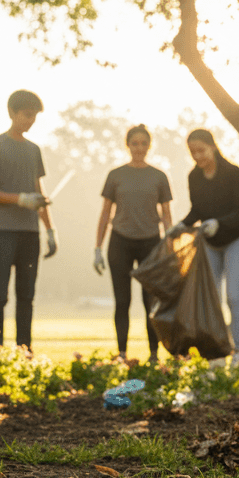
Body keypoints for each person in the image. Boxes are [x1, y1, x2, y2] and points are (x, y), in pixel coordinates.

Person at [0, 89, 57, 351]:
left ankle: (25, 351)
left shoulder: (34, 150)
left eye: (34, 116)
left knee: (27, 296)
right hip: (1, 230)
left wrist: (50, 229)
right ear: (12, 113)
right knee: (0, 292)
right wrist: (19, 199)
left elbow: (38, 190)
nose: (30, 121)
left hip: (29, 232)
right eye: (26, 115)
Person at [167, 129, 239, 368]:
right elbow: (197, 210)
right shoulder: (194, 176)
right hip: (210, 244)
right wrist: (182, 225)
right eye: (193, 152)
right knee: (211, 300)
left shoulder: (233, 173)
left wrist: (219, 223)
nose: (197, 156)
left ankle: (238, 353)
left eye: (201, 150)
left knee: (233, 297)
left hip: (238, 239)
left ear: (213, 147)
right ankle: (217, 352)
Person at [93, 125, 173, 363]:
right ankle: (122, 353)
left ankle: (153, 354)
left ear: (149, 146)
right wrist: (97, 247)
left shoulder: (159, 177)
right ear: (127, 145)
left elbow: (167, 214)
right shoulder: (116, 175)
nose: (139, 148)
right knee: (122, 301)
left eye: (143, 143)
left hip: (150, 243)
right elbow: (105, 214)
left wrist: (169, 246)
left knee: (151, 302)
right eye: (134, 143)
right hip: (120, 242)